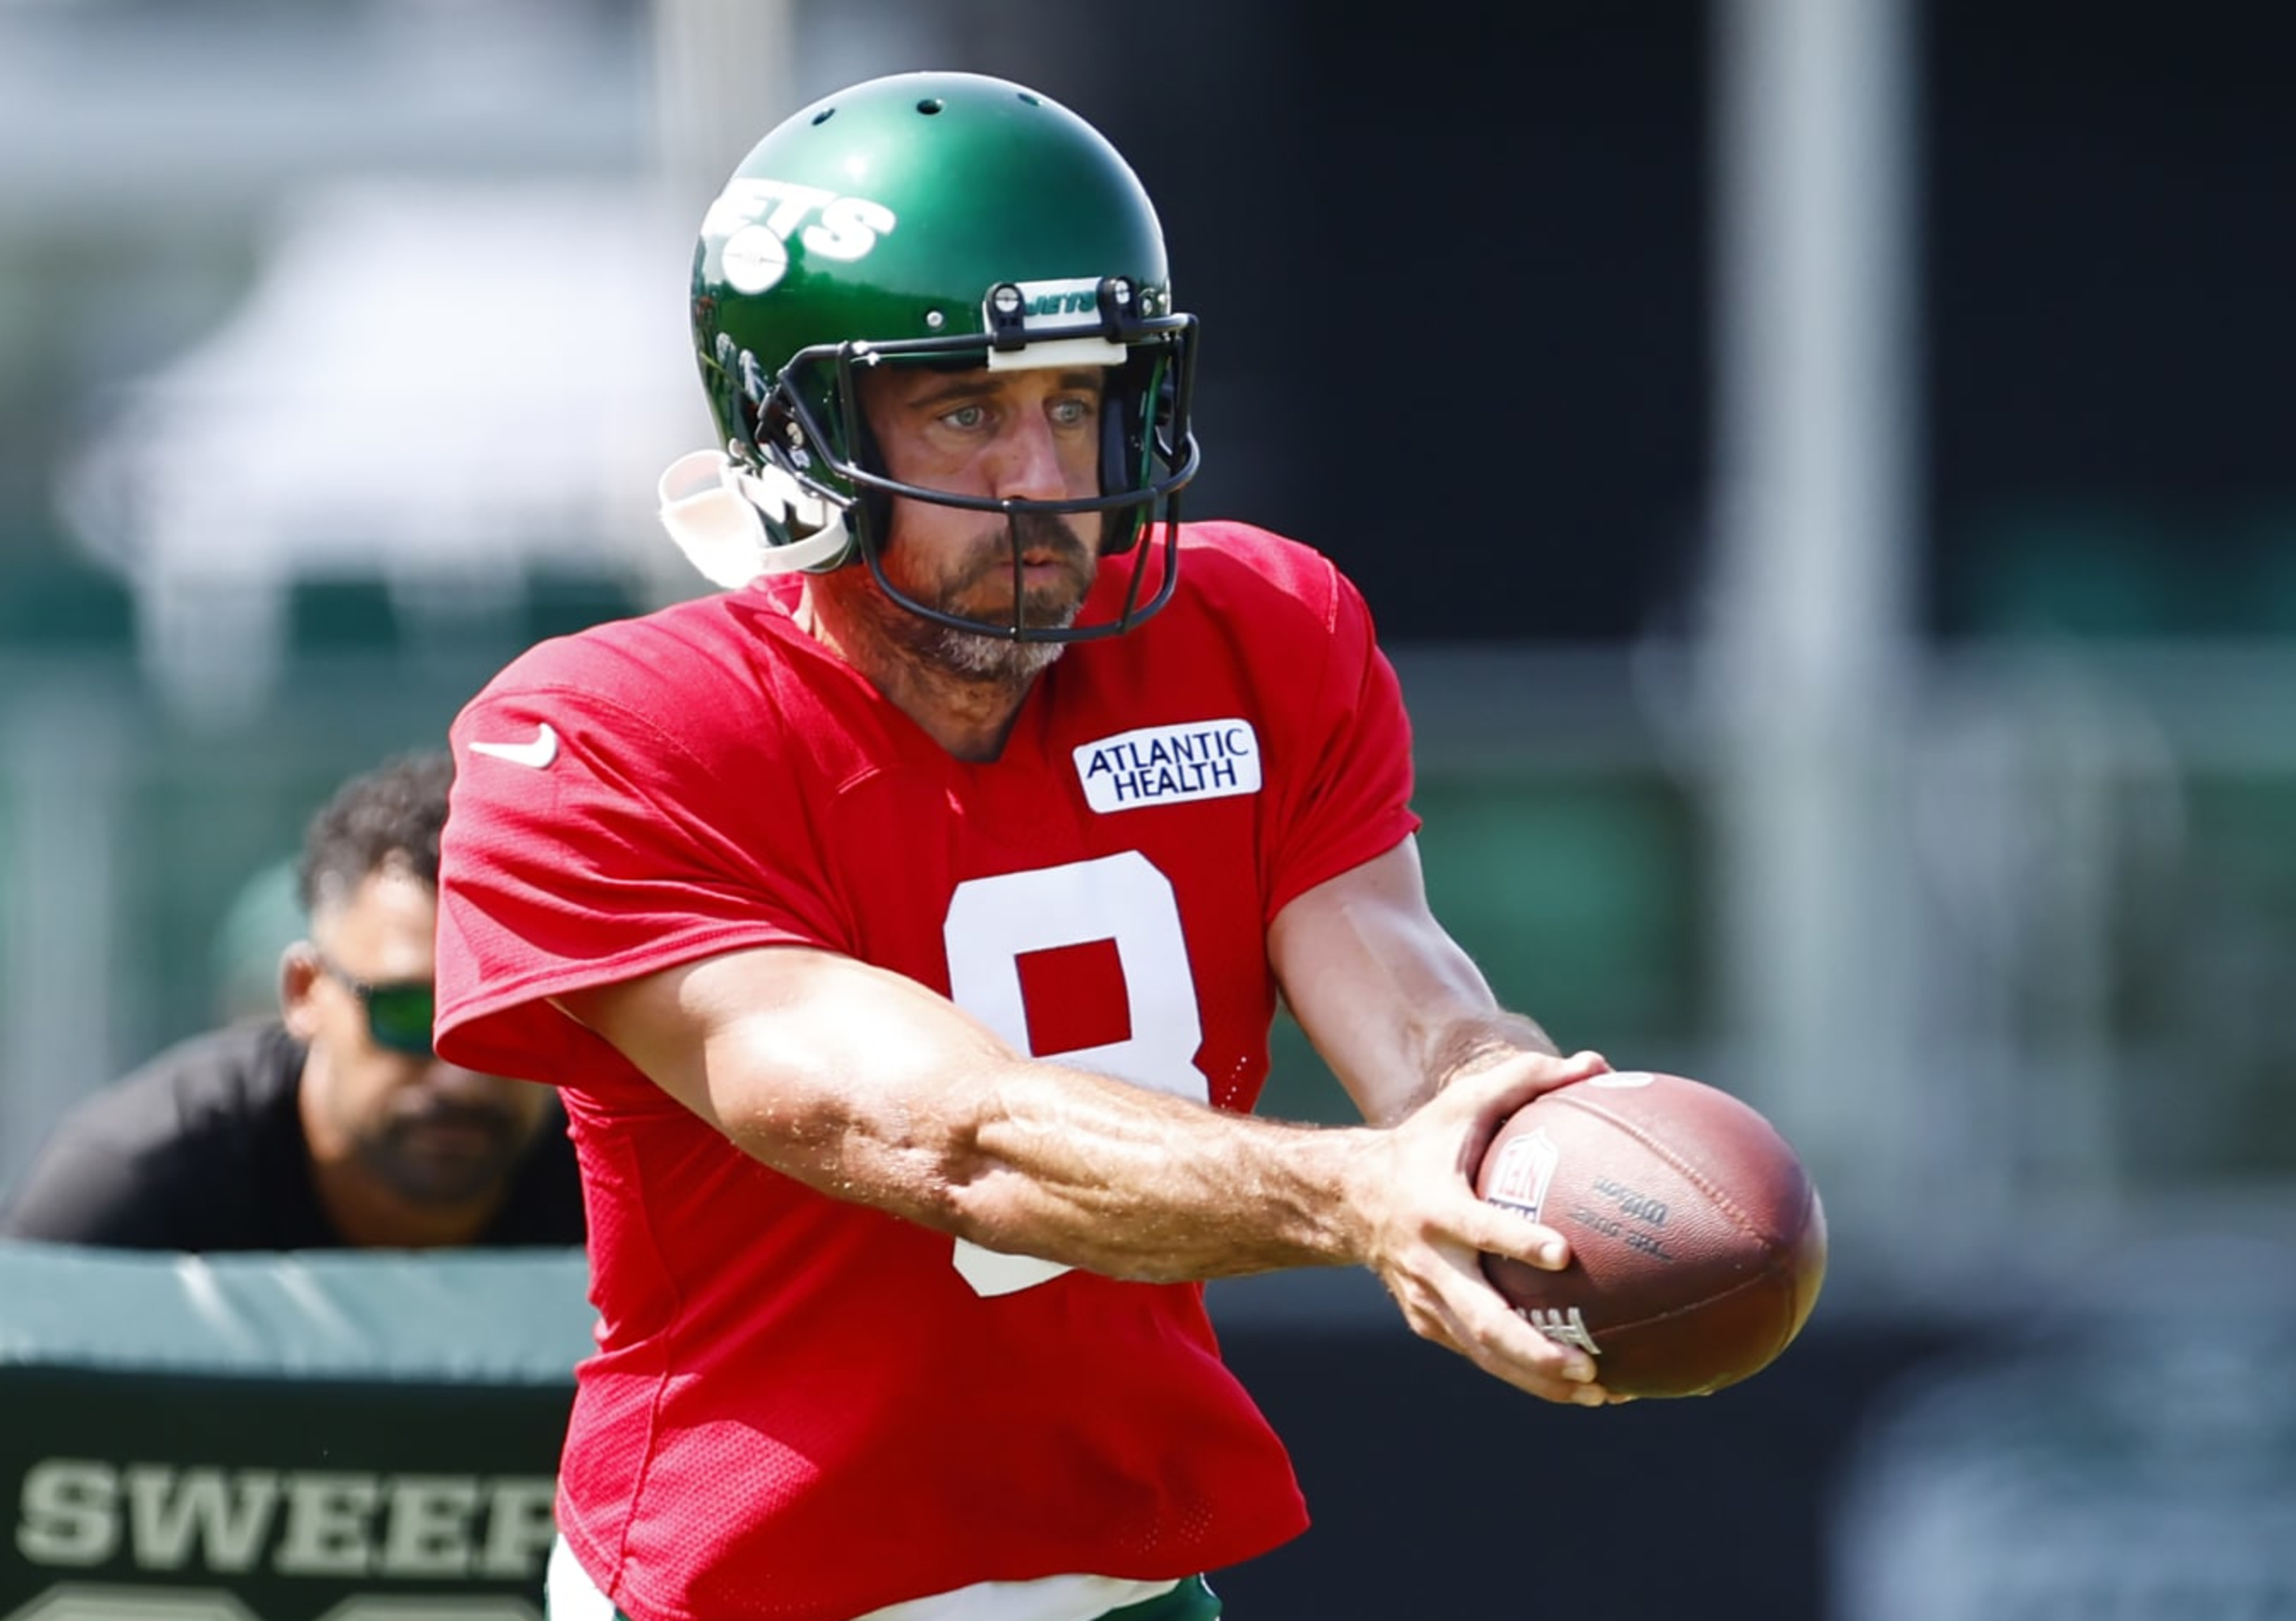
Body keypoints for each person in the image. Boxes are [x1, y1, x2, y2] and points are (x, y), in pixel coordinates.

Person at [432, 71, 1616, 1621]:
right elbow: (947, 1134)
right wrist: (1360, 1200)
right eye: (969, 409)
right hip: (764, 1591)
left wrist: (1508, 1138)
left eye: (1078, 402)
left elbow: (1406, 986)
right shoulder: (610, 735)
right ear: (797, 434)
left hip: (1129, 1586)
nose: (1044, 483)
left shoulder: (1261, 634)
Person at [2, 752, 581, 1251]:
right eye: (409, 1013)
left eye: (514, 1017)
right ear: (305, 993)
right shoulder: (135, 1188)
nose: (462, 1075)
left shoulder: (625, 1184)